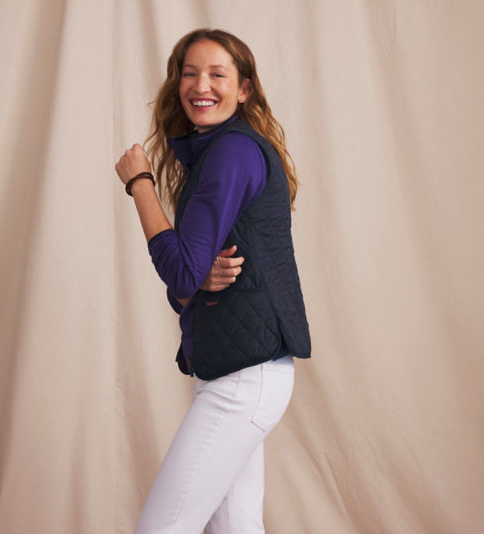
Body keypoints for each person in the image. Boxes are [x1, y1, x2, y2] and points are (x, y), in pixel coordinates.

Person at [114, 29, 311, 533]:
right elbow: (185, 285)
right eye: (190, 73)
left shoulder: (231, 152)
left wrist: (140, 184)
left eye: (217, 74)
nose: (201, 85)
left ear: (243, 89)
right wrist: (196, 282)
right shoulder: (223, 151)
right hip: (242, 372)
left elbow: (180, 271)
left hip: (245, 380)